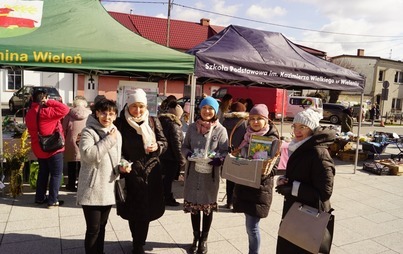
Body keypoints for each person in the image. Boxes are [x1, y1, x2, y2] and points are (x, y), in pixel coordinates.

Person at [115, 88, 168, 254]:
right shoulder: (120, 123)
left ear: (146, 107)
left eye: (141, 107)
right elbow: (116, 147)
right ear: (128, 106)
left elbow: (164, 142)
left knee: (146, 210)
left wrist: (157, 146)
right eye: (134, 106)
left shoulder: (153, 121)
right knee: (133, 209)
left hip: (151, 172)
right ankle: (136, 241)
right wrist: (122, 161)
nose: (137, 110)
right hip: (130, 171)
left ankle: (140, 241)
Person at [275, 108, 335, 253]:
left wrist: (293, 188)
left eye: (303, 127)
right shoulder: (299, 146)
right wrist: (284, 180)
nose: (297, 131)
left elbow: (325, 192)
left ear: (312, 129)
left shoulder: (318, 152)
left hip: (308, 215)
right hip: (295, 210)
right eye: (295, 126)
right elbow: (300, 175)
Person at [182, 96, 228, 254]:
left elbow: (224, 151)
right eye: (204, 108)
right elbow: (184, 146)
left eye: (210, 109)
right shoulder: (192, 128)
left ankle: (204, 239)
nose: (207, 111)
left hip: (210, 177)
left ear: (215, 111)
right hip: (193, 174)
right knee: (194, 208)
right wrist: (188, 155)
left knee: (207, 208)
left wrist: (218, 159)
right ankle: (195, 237)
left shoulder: (220, 130)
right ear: (199, 109)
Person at [232, 104, 280, 254]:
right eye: (252, 119)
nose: (255, 122)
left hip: (259, 189)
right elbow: (239, 155)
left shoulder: (272, 139)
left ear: (267, 120)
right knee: (249, 225)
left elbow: (274, 167)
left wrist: (263, 171)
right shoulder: (245, 136)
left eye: (259, 118)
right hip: (245, 185)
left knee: (252, 227)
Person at [76, 99, 122, 254]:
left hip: (108, 187)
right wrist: (109, 140)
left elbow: (115, 157)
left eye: (111, 114)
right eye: (103, 112)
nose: (107, 117)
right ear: (96, 113)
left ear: (115, 116)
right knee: (93, 229)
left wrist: (122, 165)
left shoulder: (116, 132)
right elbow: (89, 155)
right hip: (91, 187)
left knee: (102, 227)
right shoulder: (89, 131)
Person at [26, 89, 70, 207]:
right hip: (53, 148)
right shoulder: (47, 111)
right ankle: (52, 200)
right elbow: (65, 109)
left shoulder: (29, 113)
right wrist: (49, 102)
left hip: (39, 148)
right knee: (56, 174)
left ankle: (40, 197)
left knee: (43, 172)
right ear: (44, 98)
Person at [158, 101, 186, 206]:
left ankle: (162, 197)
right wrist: (181, 160)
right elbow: (176, 144)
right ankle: (167, 198)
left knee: (164, 179)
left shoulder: (161, 121)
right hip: (171, 157)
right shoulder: (174, 125)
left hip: (162, 155)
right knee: (168, 180)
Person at [222, 102, 249, 210]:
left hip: (228, 152)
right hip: (240, 153)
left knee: (230, 178)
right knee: (239, 179)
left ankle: (229, 202)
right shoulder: (244, 123)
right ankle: (236, 203)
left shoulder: (225, 121)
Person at [62, 95, 92, 191]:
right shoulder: (90, 115)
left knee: (71, 164)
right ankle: (81, 184)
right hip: (85, 141)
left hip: (71, 141)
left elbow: (63, 129)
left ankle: (71, 184)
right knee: (83, 165)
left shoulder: (69, 114)